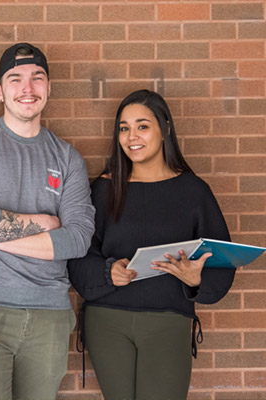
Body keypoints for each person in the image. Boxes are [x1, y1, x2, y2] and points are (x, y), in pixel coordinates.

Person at [0, 42, 95, 400]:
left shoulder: (67, 157)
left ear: (49, 87)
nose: (27, 89)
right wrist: (45, 222)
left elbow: (77, 240)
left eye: (36, 78)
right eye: (15, 79)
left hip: (50, 315)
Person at [67, 89, 236, 400]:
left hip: (168, 320)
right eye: (124, 127)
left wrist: (196, 279)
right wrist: (108, 271)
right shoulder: (104, 189)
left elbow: (222, 263)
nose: (132, 136)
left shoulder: (193, 191)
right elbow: (76, 258)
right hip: (107, 321)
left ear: (165, 129)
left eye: (143, 126)